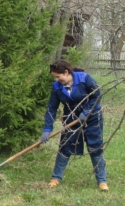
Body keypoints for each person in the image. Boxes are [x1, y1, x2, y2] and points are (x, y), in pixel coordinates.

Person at [39, 59, 109, 191]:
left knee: (95, 147)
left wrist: (87, 111)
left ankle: (102, 181)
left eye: (58, 76)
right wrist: (47, 129)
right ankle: (56, 178)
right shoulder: (57, 87)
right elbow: (52, 108)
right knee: (65, 146)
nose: (57, 79)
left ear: (66, 72)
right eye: (55, 77)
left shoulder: (85, 78)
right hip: (71, 118)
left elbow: (97, 95)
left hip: (93, 117)